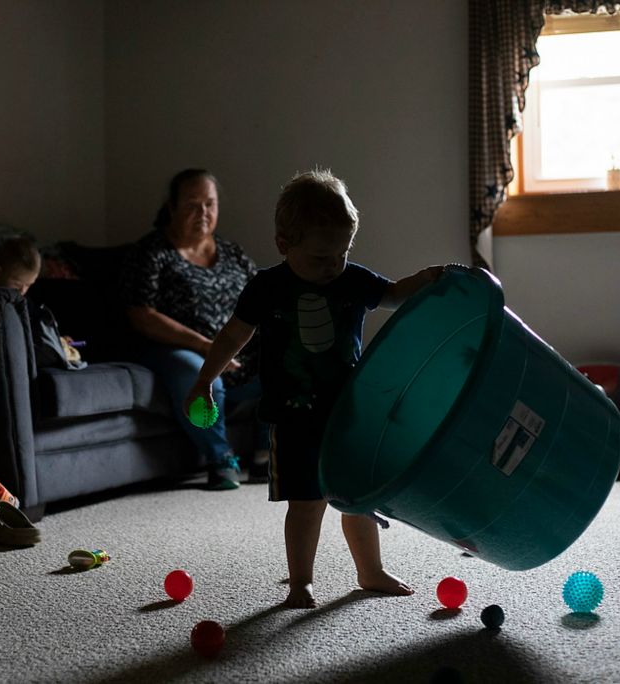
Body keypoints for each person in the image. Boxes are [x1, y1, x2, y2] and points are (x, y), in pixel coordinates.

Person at [185, 169, 444, 608]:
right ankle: (300, 580)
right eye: (321, 258)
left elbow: (396, 293)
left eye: (342, 254)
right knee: (306, 504)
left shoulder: (352, 278)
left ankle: (370, 571)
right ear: (285, 245)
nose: (332, 267)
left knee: (357, 499)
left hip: (348, 413)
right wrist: (204, 379)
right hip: (293, 417)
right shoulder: (268, 287)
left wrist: (433, 277)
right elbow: (232, 336)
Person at [120, 169, 269, 490]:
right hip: (182, 351)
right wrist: (205, 346)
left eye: (210, 204)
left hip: (239, 353)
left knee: (288, 361)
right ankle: (220, 458)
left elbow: (263, 301)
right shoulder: (151, 253)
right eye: (192, 204)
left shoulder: (232, 253)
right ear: (171, 207)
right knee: (200, 372)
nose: (203, 213)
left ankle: (265, 456)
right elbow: (141, 314)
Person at [0, 237, 85, 370]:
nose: (22, 291)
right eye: (17, 284)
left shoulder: (25, 303)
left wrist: (58, 340)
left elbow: (38, 331)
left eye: (29, 285)